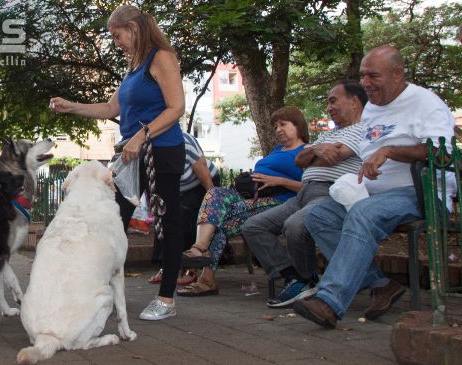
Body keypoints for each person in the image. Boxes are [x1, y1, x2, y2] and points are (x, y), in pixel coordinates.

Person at [294, 46, 456, 328]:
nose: (365, 83)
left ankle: (330, 301)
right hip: (374, 192)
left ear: (397, 73)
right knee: (318, 216)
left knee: (364, 213)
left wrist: (391, 151)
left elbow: (443, 155)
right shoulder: (371, 110)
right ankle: (381, 284)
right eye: (362, 76)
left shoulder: (425, 103)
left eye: (373, 76)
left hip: (423, 192)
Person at [50, 4, 186, 320]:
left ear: (134, 27)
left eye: (117, 35)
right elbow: (112, 109)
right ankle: (102, 293)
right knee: (111, 220)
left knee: (168, 221)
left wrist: (142, 136)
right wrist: (71, 106)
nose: (116, 42)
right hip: (130, 155)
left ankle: (166, 299)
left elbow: (176, 107)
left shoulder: (161, 57)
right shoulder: (133, 68)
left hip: (161, 152)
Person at [241, 80, 367, 308]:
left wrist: (312, 153)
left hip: (327, 193)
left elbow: (336, 156)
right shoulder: (330, 134)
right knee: (252, 226)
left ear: (355, 102)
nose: (328, 108)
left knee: (295, 225)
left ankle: (306, 278)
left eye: (333, 101)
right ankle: (296, 277)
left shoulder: (365, 129)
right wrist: (317, 150)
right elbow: (300, 159)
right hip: (303, 194)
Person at [177, 106, 308, 296]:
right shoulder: (278, 150)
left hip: (280, 202)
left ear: (298, 126)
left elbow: (310, 186)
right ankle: (202, 259)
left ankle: (202, 265)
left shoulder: (307, 151)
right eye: (276, 126)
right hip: (253, 199)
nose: (278, 129)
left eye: (283, 124)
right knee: (215, 195)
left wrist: (279, 181)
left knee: (218, 218)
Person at [148, 132, 220, 286]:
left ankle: (190, 268)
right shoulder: (145, 145)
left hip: (202, 183)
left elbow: (203, 174)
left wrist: (212, 203)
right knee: (163, 216)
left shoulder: (185, 141)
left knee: (185, 214)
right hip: (176, 186)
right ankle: (166, 267)